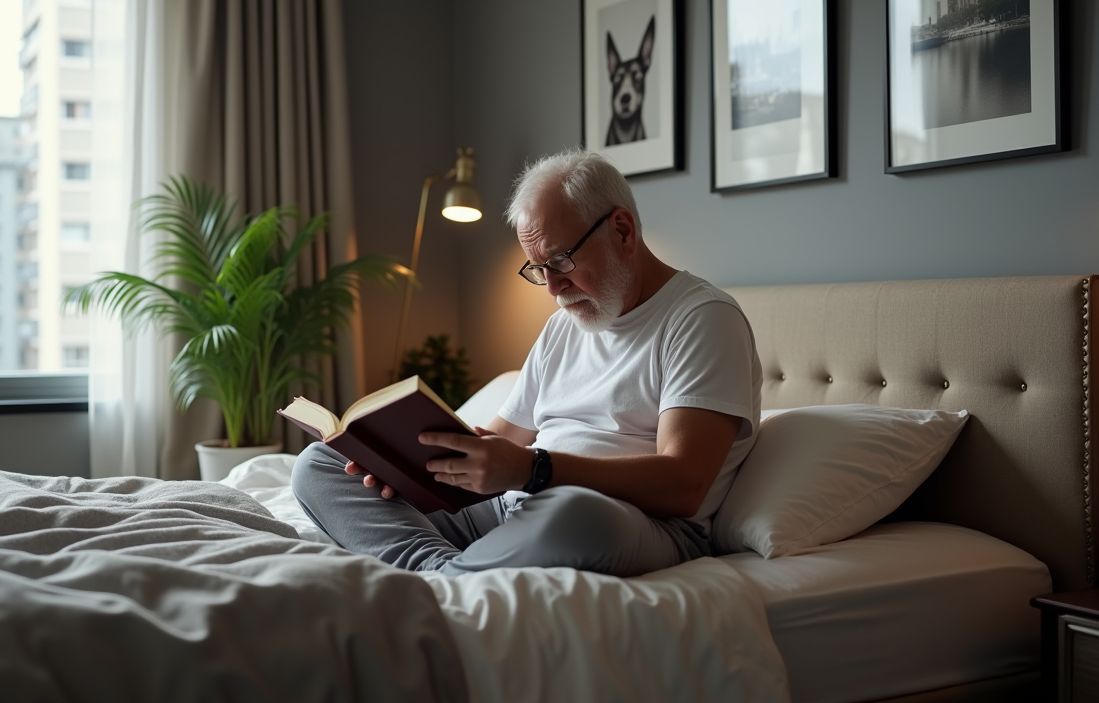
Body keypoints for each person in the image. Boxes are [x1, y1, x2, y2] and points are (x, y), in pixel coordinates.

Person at [291, 148, 761, 577]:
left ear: (622, 230)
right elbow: (500, 442)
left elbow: (684, 484)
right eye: (538, 269)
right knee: (320, 463)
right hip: (509, 511)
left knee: (575, 513)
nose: (553, 289)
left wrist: (533, 470)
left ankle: (449, 575)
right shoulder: (566, 326)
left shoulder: (702, 318)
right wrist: (406, 469)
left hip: (630, 523)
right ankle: (442, 572)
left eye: (560, 260)